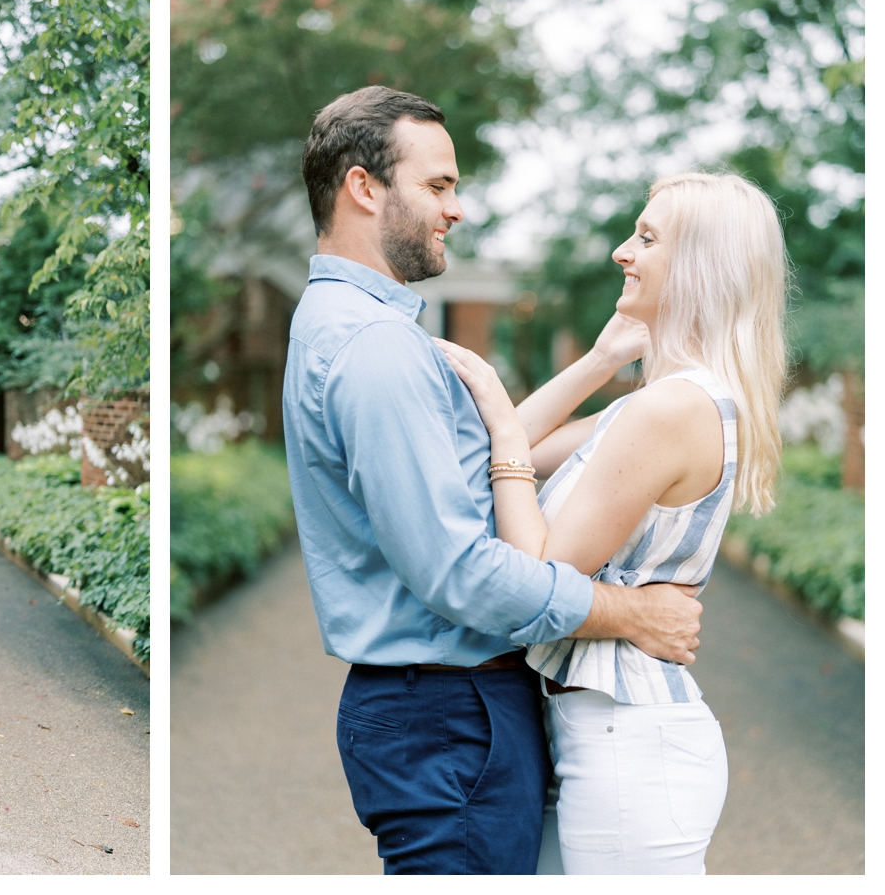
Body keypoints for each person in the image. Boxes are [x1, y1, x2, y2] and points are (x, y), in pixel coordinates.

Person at [282, 86, 706, 874]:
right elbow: (460, 572)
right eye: (439, 185)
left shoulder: (352, 325)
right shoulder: (374, 347)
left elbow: (483, 461)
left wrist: (602, 361)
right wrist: (630, 614)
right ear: (364, 188)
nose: (458, 208)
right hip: (448, 713)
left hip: (444, 709)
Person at [436, 171, 786, 873]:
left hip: (630, 746)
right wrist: (599, 361)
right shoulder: (657, 402)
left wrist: (498, 410)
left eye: (647, 237)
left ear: (700, 268)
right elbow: (498, 457)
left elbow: (541, 583)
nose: (623, 252)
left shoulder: (673, 408)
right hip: (597, 735)